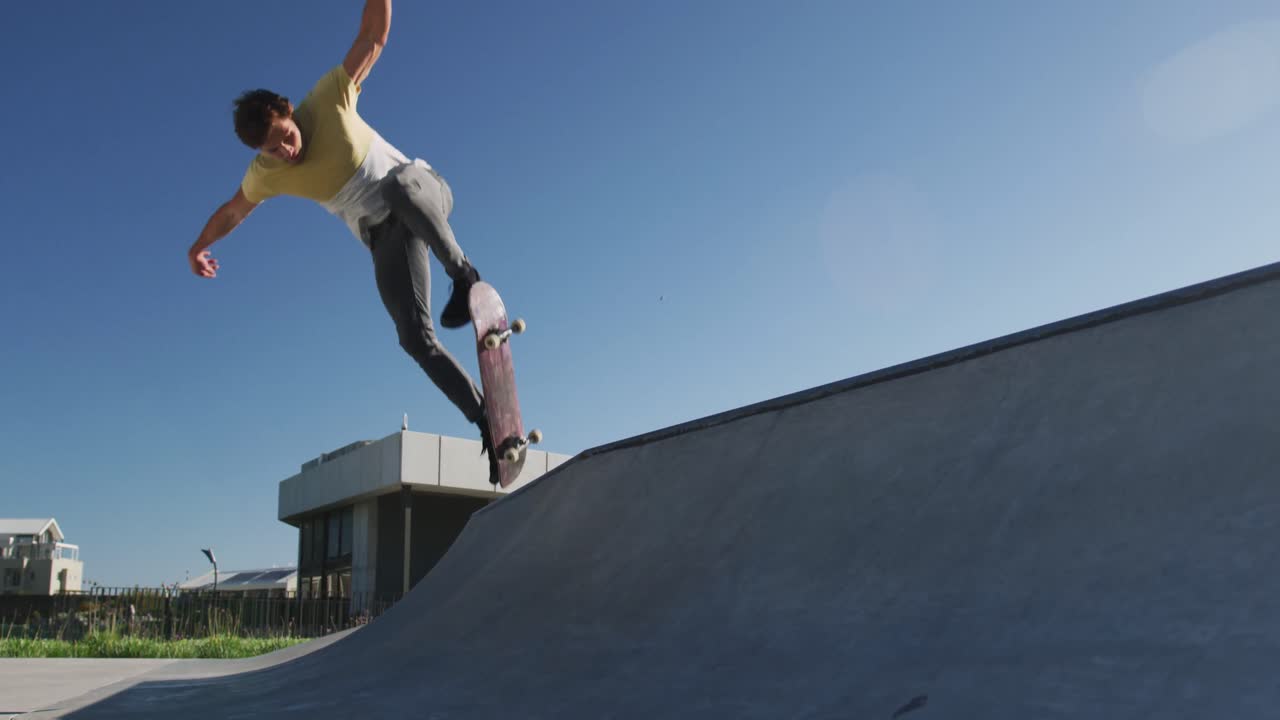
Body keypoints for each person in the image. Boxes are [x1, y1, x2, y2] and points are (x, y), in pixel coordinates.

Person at [186, 0, 499, 483]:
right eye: (273, 148)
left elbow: (373, 37)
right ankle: (485, 421)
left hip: (424, 192)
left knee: (397, 187)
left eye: (286, 136)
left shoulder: (329, 98)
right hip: (385, 235)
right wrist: (198, 247)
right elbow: (232, 211)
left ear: (289, 112)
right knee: (413, 339)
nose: (286, 151)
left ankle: (465, 276)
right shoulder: (265, 173)